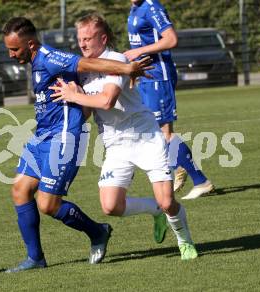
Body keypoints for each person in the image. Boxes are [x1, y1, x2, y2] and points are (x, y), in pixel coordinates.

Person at [2, 16, 152, 272]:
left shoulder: (49, 57)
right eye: (8, 49)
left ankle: (98, 233)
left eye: (14, 49)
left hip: (64, 138)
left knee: (48, 204)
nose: (11, 54)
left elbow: (86, 63)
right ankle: (35, 259)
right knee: (19, 190)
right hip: (42, 136)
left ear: (30, 45)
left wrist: (126, 68)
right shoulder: (36, 60)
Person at [50, 13, 198, 260]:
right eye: (80, 39)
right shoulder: (83, 70)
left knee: (168, 200)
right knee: (110, 206)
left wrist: (74, 96)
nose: (83, 44)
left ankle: (185, 240)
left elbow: (107, 101)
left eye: (88, 39)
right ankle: (155, 211)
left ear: (103, 38)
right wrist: (75, 93)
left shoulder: (116, 60)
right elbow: (88, 112)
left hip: (146, 137)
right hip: (116, 145)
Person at [124, 0, 215, 200]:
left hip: (159, 76)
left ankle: (201, 181)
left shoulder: (152, 7)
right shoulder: (135, 8)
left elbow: (171, 39)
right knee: (152, 131)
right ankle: (178, 166)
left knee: (164, 133)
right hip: (147, 78)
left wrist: (139, 51)